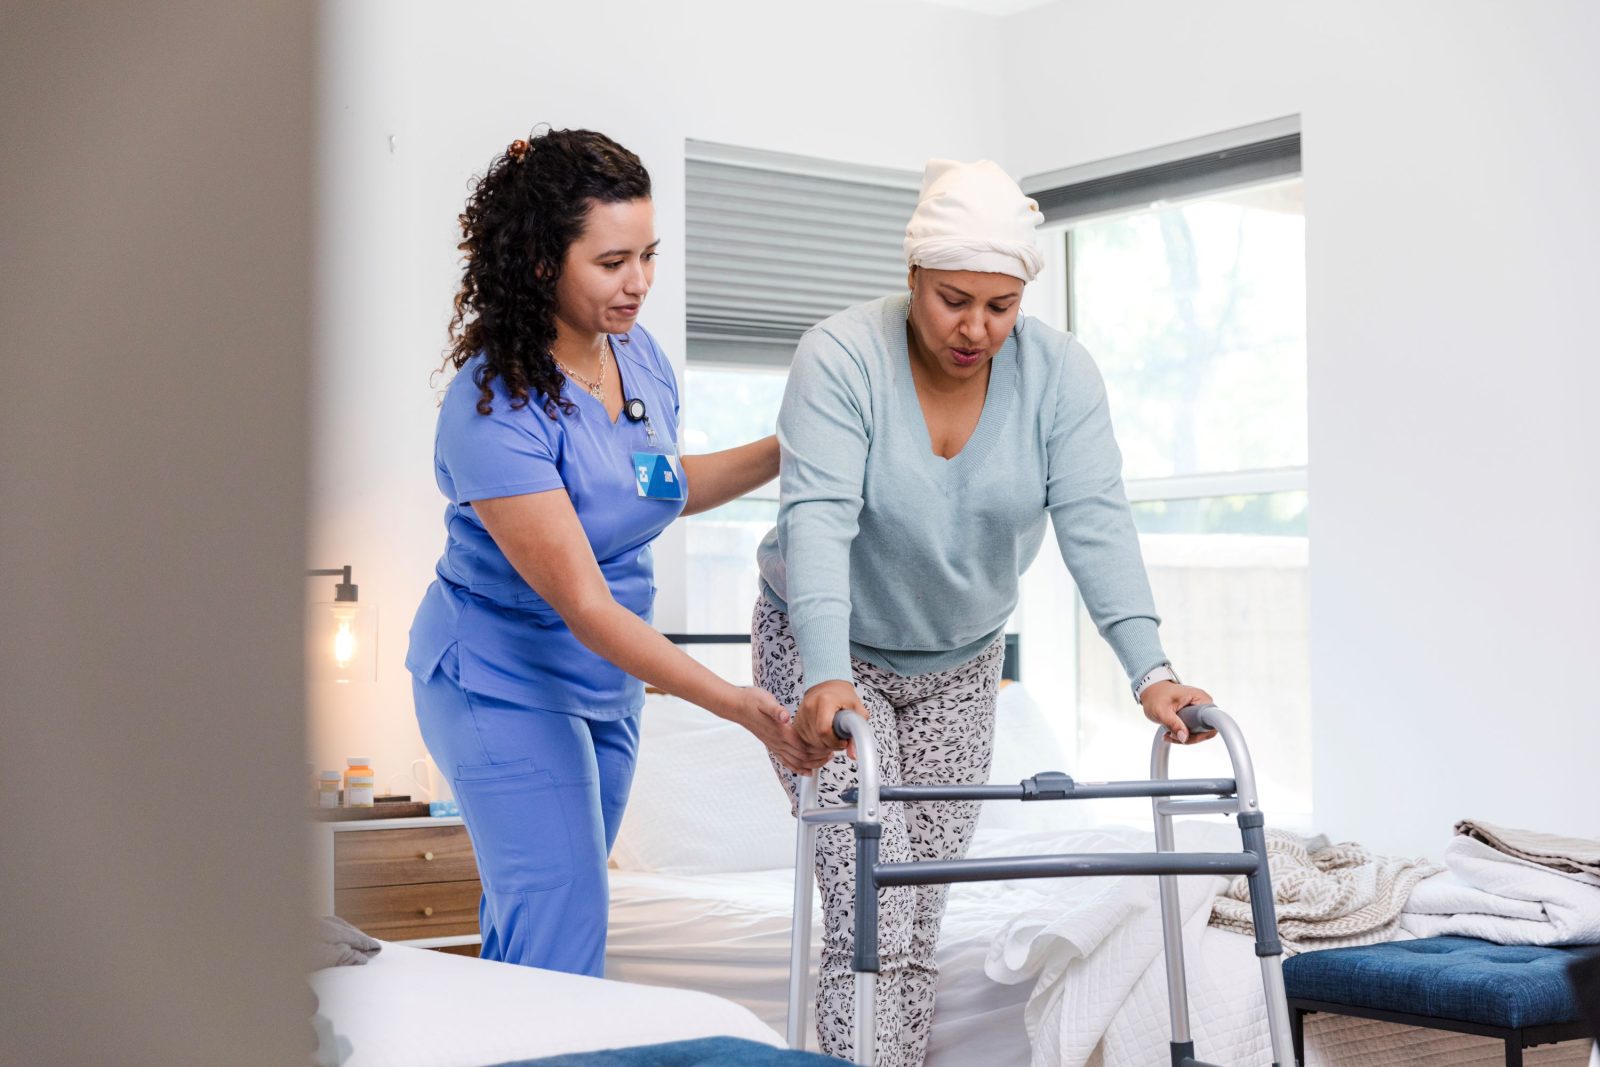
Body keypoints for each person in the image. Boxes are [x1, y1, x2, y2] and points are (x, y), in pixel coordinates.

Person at [752, 158, 1219, 1066]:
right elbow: (815, 521)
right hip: (825, 650)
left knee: (919, 902)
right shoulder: (841, 357)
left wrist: (1150, 671)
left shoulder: (1058, 375)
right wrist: (822, 670)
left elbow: (1096, 523)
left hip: (962, 662)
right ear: (914, 277)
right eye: (953, 300)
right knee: (865, 893)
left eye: (1000, 307)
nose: (976, 328)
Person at [406, 128, 831, 978]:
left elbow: (660, 485)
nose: (638, 282)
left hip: (606, 686)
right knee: (563, 925)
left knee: (534, 928)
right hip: (502, 681)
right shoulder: (493, 408)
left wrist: (793, 446)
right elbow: (587, 606)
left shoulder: (638, 359)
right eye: (611, 262)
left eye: (648, 255)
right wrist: (735, 704)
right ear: (540, 262)